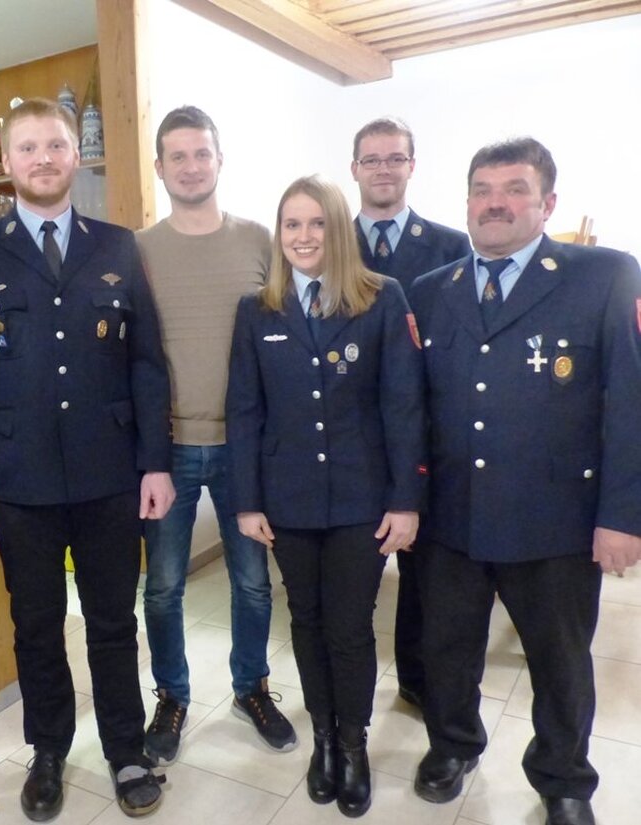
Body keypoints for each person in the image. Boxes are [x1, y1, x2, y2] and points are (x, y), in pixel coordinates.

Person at [0, 98, 174, 820]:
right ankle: (48, 750)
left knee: (113, 621)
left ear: (77, 155)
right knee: (36, 625)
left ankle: (126, 749)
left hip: (110, 474)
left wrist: (155, 463)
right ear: (6, 160)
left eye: (56, 145)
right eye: (28, 147)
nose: (43, 158)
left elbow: (146, 361)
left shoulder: (117, 245)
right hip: (17, 480)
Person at [408, 138, 641, 825]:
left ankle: (563, 776)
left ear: (548, 203)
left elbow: (629, 403)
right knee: (447, 649)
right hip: (451, 516)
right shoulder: (433, 290)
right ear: (467, 202)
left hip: (556, 520)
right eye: (483, 190)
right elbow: (411, 410)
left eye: (515, 189)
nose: (496, 203)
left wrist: (623, 515)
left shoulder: (604, 275)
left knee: (560, 661)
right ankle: (453, 745)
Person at [227, 175, 426, 818]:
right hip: (287, 500)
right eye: (292, 224)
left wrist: (405, 501)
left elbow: (403, 406)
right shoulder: (258, 309)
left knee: (349, 627)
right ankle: (323, 739)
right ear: (279, 234)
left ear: (337, 229)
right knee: (306, 622)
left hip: (361, 501)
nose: (304, 236)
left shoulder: (381, 298)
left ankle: (354, 743)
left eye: (316, 223)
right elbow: (245, 412)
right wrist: (247, 502)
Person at [136, 105, 293, 765]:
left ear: (220, 160)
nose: (191, 166)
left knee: (252, 581)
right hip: (165, 448)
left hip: (245, 446)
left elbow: (288, 336)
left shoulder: (260, 241)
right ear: (160, 167)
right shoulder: (139, 250)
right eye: (178, 155)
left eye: (202, 153)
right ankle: (171, 696)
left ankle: (250, 687)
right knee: (164, 586)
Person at [350, 117, 470, 711]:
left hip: (423, 428)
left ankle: (417, 679)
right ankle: (346, 688)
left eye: (394, 158)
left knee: (423, 571)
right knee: (352, 568)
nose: (383, 169)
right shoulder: (324, 242)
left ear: (411, 166)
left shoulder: (451, 246)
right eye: (371, 160)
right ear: (354, 169)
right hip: (348, 435)